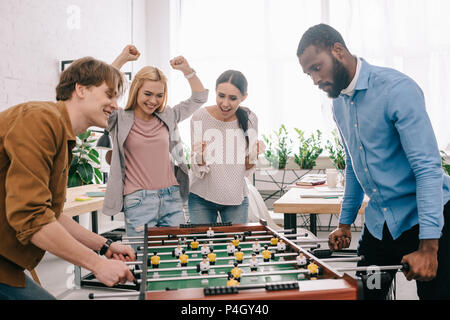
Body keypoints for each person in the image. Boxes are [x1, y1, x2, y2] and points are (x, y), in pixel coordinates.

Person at [297, 23, 450, 299]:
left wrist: (429, 248)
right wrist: (345, 224)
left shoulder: (396, 89)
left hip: (427, 221)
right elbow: (355, 165)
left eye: (316, 68)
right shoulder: (338, 103)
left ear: (338, 50)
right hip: (380, 224)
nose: (314, 80)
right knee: (367, 294)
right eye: (308, 73)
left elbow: (427, 170)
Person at [0, 56, 136, 300]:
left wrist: (104, 246)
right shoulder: (40, 120)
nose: (115, 105)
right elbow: (32, 218)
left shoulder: (63, 135)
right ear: (80, 89)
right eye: (109, 95)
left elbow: (50, 214)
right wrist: (97, 264)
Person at [103, 46, 209, 244]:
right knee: (143, 262)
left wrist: (187, 70)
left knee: (177, 258)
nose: (153, 101)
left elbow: (199, 98)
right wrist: (122, 60)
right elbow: (101, 95)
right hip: (138, 201)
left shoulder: (168, 115)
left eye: (159, 95)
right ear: (136, 91)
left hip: (171, 197)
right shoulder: (118, 118)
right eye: (148, 94)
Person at [188, 70, 265, 224]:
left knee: (236, 247)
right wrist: (201, 156)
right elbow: (197, 168)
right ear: (215, 92)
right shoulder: (199, 117)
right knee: (201, 246)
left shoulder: (250, 119)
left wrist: (254, 154)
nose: (225, 103)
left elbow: (246, 168)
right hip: (201, 197)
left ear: (244, 97)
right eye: (221, 95)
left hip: (235, 198)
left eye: (233, 98)